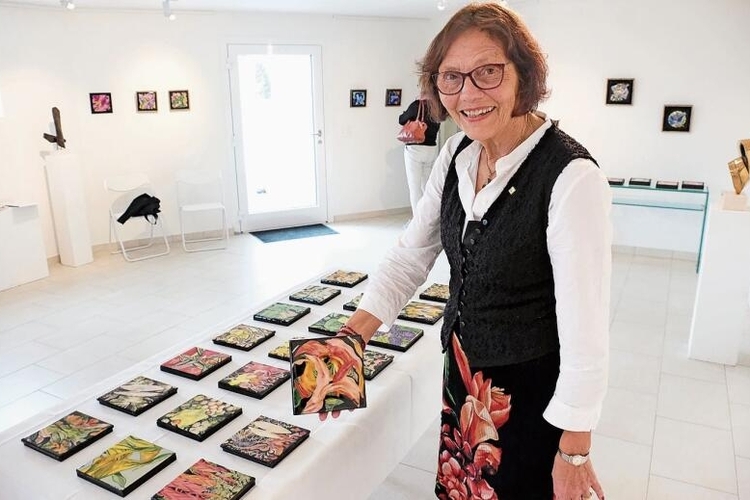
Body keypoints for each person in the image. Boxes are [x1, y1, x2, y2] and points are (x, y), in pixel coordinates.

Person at [338, 3, 611, 499]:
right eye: (451, 78)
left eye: (488, 72)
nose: (469, 94)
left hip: (529, 395)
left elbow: (585, 330)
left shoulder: (570, 177)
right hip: (464, 377)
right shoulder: (456, 154)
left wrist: (575, 449)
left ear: (523, 74)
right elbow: (408, 257)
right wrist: (350, 340)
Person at [399, 96, 442, 216]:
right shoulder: (437, 108)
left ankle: (417, 222)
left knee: (414, 188)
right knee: (428, 187)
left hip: (415, 149)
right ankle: (430, 218)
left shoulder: (417, 105)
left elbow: (401, 119)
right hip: (432, 149)